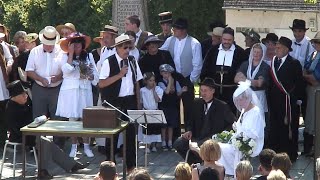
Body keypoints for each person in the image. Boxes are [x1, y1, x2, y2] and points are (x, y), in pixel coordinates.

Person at [5, 80, 87, 179]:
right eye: (23, 95)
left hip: (30, 133)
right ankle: (43, 171)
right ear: (15, 96)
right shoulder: (11, 108)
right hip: (20, 136)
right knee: (45, 142)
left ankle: (71, 165)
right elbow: (15, 128)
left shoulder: (24, 104)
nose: (25, 96)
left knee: (47, 142)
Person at [99, 34, 143, 171]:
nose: (127, 50)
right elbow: (101, 83)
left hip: (130, 100)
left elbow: (137, 81)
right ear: (117, 48)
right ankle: (110, 166)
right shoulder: (108, 62)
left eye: (129, 47)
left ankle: (131, 165)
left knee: (130, 133)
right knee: (112, 134)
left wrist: (138, 102)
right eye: (125, 47)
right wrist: (119, 74)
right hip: (114, 101)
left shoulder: (132, 60)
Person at [173, 78, 236, 164]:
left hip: (212, 139)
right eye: (201, 90)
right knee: (178, 143)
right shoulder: (196, 103)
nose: (203, 93)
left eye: (205, 91)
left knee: (200, 145)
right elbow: (190, 121)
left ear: (212, 91)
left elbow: (232, 123)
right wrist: (189, 131)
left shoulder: (222, 106)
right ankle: (195, 161)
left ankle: (202, 161)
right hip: (196, 136)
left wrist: (220, 136)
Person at [56, 32, 98, 158]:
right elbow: (66, 70)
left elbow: (95, 76)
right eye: (74, 44)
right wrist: (70, 54)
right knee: (72, 120)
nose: (77, 46)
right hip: (70, 92)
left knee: (85, 119)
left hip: (84, 90)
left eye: (79, 44)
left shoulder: (89, 56)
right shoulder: (64, 56)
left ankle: (86, 146)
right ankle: (73, 147)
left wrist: (90, 76)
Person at [160, 18, 202, 137]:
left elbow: (197, 64)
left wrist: (191, 80)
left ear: (183, 30)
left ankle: (190, 132)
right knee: (174, 107)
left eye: (176, 28)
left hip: (187, 77)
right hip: (173, 77)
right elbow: (162, 51)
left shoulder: (194, 43)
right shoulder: (170, 40)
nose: (173, 30)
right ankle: (175, 135)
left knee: (189, 107)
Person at [25, 26, 66, 148]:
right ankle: (40, 147)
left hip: (57, 88)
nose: (49, 46)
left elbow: (67, 70)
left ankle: (58, 148)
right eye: (47, 44)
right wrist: (40, 79)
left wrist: (59, 77)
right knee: (38, 117)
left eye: (51, 44)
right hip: (39, 87)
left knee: (58, 118)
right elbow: (29, 71)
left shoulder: (61, 51)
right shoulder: (35, 51)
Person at [217, 81, 265, 176]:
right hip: (240, 139)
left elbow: (254, 133)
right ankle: (226, 172)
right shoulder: (244, 110)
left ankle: (232, 173)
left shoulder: (255, 112)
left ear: (248, 98)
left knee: (219, 148)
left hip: (250, 143)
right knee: (218, 146)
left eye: (240, 100)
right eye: (237, 100)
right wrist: (236, 127)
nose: (239, 102)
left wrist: (240, 130)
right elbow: (241, 125)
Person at [268, 36, 304, 162]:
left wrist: (297, 98)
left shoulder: (294, 63)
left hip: (289, 102)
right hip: (274, 102)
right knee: (275, 128)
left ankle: (290, 155)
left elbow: (299, 83)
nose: (275, 50)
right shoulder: (274, 62)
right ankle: (276, 155)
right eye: (275, 47)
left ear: (286, 49)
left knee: (289, 128)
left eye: (278, 48)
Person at [200, 27, 247, 113]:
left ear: (233, 39)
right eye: (224, 39)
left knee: (230, 115)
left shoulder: (240, 53)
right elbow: (205, 69)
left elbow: (243, 71)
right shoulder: (213, 51)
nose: (226, 42)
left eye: (229, 40)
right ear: (221, 38)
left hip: (232, 91)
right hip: (214, 91)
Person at [158, 64, 187, 151]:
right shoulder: (160, 82)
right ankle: (163, 142)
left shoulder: (176, 82)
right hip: (164, 106)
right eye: (165, 73)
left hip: (172, 106)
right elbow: (166, 91)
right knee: (164, 125)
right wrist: (170, 81)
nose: (167, 75)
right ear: (161, 73)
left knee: (171, 125)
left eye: (168, 73)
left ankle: (170, 142)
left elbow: (177, 93)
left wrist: (182, 90)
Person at [234, 43, 270, 113]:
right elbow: (236, 79)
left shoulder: (265, 67)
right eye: (254, 51)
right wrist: (252, 82)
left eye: (258, 52)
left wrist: (245, 80)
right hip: (245, 95)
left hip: (258, 96)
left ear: (262, 54)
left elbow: (259, 83)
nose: (256, 54)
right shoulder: (245, 64)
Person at [302, 31, 320, 157]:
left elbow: (315, 79)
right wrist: (307, 76)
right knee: (310, 120)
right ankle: (312, 148)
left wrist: (307, 75)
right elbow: (305, 69)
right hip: (310, 90)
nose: (316, 44)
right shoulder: (312, 55)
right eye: (315, 42)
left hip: (317, 90)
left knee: (317, 119)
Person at [139, 72, 164, 153]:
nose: (152, 82)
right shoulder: (142, 90)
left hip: (155, 111)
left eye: (153, 80)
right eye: (150, 80)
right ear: (146, 81)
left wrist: (153, 91)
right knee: (147, 130)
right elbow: (141, 102)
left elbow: (158, 100)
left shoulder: (158, 89)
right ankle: (147, 146)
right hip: (146, 111)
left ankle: (154, 145)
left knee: (155, 129)